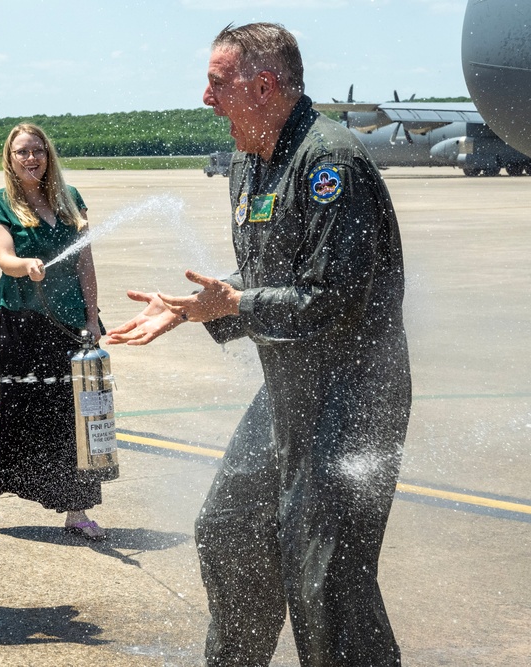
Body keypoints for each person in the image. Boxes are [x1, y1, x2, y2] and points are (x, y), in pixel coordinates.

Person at [107, 23, 412, 667]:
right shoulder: (249, 164)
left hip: (352, 400)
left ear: (264, 86)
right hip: (287, 390)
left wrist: (237, 304)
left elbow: (333, 298)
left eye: (218, 82)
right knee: (229, 530)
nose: (206, 97)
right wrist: (201, 309)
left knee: (326, 578)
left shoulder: (331, 164)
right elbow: (270, 279)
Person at [0, 123, 106, 541]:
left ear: (49, 156)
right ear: (9, 159)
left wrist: (92, 316)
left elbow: (85, 262)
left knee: (71, 414)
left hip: (69, 322)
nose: (31, 158)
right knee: (17, 412)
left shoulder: (69, 199)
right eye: (22, 152)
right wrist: (25, 264)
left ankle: (76, 509)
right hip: (17, 322)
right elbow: (3, 257)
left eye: (38, 151)